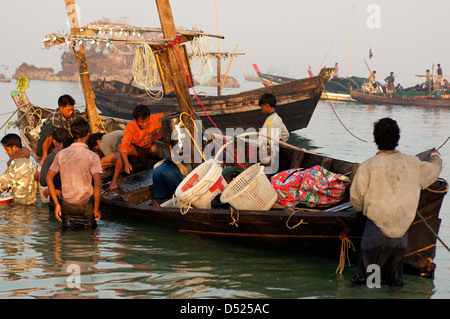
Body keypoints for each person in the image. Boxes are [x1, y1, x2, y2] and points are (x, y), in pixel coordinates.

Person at [350, 117, 442, 286]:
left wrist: (366, 210)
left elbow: (356, 201)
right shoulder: (413, 164)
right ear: (398, 140)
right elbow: (434, 170)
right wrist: (435, 157)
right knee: (394, 284)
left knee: (371, 284)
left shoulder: (368, 166)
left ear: (375, 140)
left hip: (375, 237)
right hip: (400, 239)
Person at [46, 119, 103, 230]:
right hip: (86, 206)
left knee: (66, 234)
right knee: (92, 236)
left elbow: (49, 178)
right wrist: (96, 209)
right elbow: (98, 183)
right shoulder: (92, 156)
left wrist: (57, 204)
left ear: (71, 134)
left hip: (67, 206)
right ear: (87, 134)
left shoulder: (61, 154)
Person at [110, 105, 167, 189]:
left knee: (155, 148)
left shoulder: (157, 118)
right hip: (139, 150)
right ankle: (114, 181)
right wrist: (126, 163)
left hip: (154, 148)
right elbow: (124, 146)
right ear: (136, 120)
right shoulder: (130, 127)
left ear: (149, 116)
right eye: (141, 122)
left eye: (146, 121)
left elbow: (171, 114)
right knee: (122, 154)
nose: (144, 124)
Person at [37, 94, 88, 165]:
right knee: (48, 128)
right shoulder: (54, 117)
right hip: (51, 147)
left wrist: (89, 102)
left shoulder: (74, 113)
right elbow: (59, 136)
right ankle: (44, 157)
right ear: (61, 108)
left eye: (72, 109)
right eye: (68, 110)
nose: (70, 112)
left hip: (66, 143)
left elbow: (85, 116)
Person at [0, 133, 37, 205]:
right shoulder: (28, 161)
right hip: (30, 205)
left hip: (20, 208)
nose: (6, 152)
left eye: (7, 149)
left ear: (14, 147)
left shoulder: (18, 163)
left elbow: (3, 183)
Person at [39, 128, 70, 213]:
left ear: (54, 141)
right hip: (74, 199)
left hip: (56, 200)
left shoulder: (50, 158)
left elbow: (43, 182)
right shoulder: (74, 156)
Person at [257, 93, 289, 173]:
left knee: (265, 175)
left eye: (262, 108)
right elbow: (286, 135)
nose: (262, 110)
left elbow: (261, 140)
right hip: (275, 153)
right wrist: (277, 143)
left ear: (266, 105)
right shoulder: (278, 118)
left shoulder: (269, 121)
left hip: (268, 155)